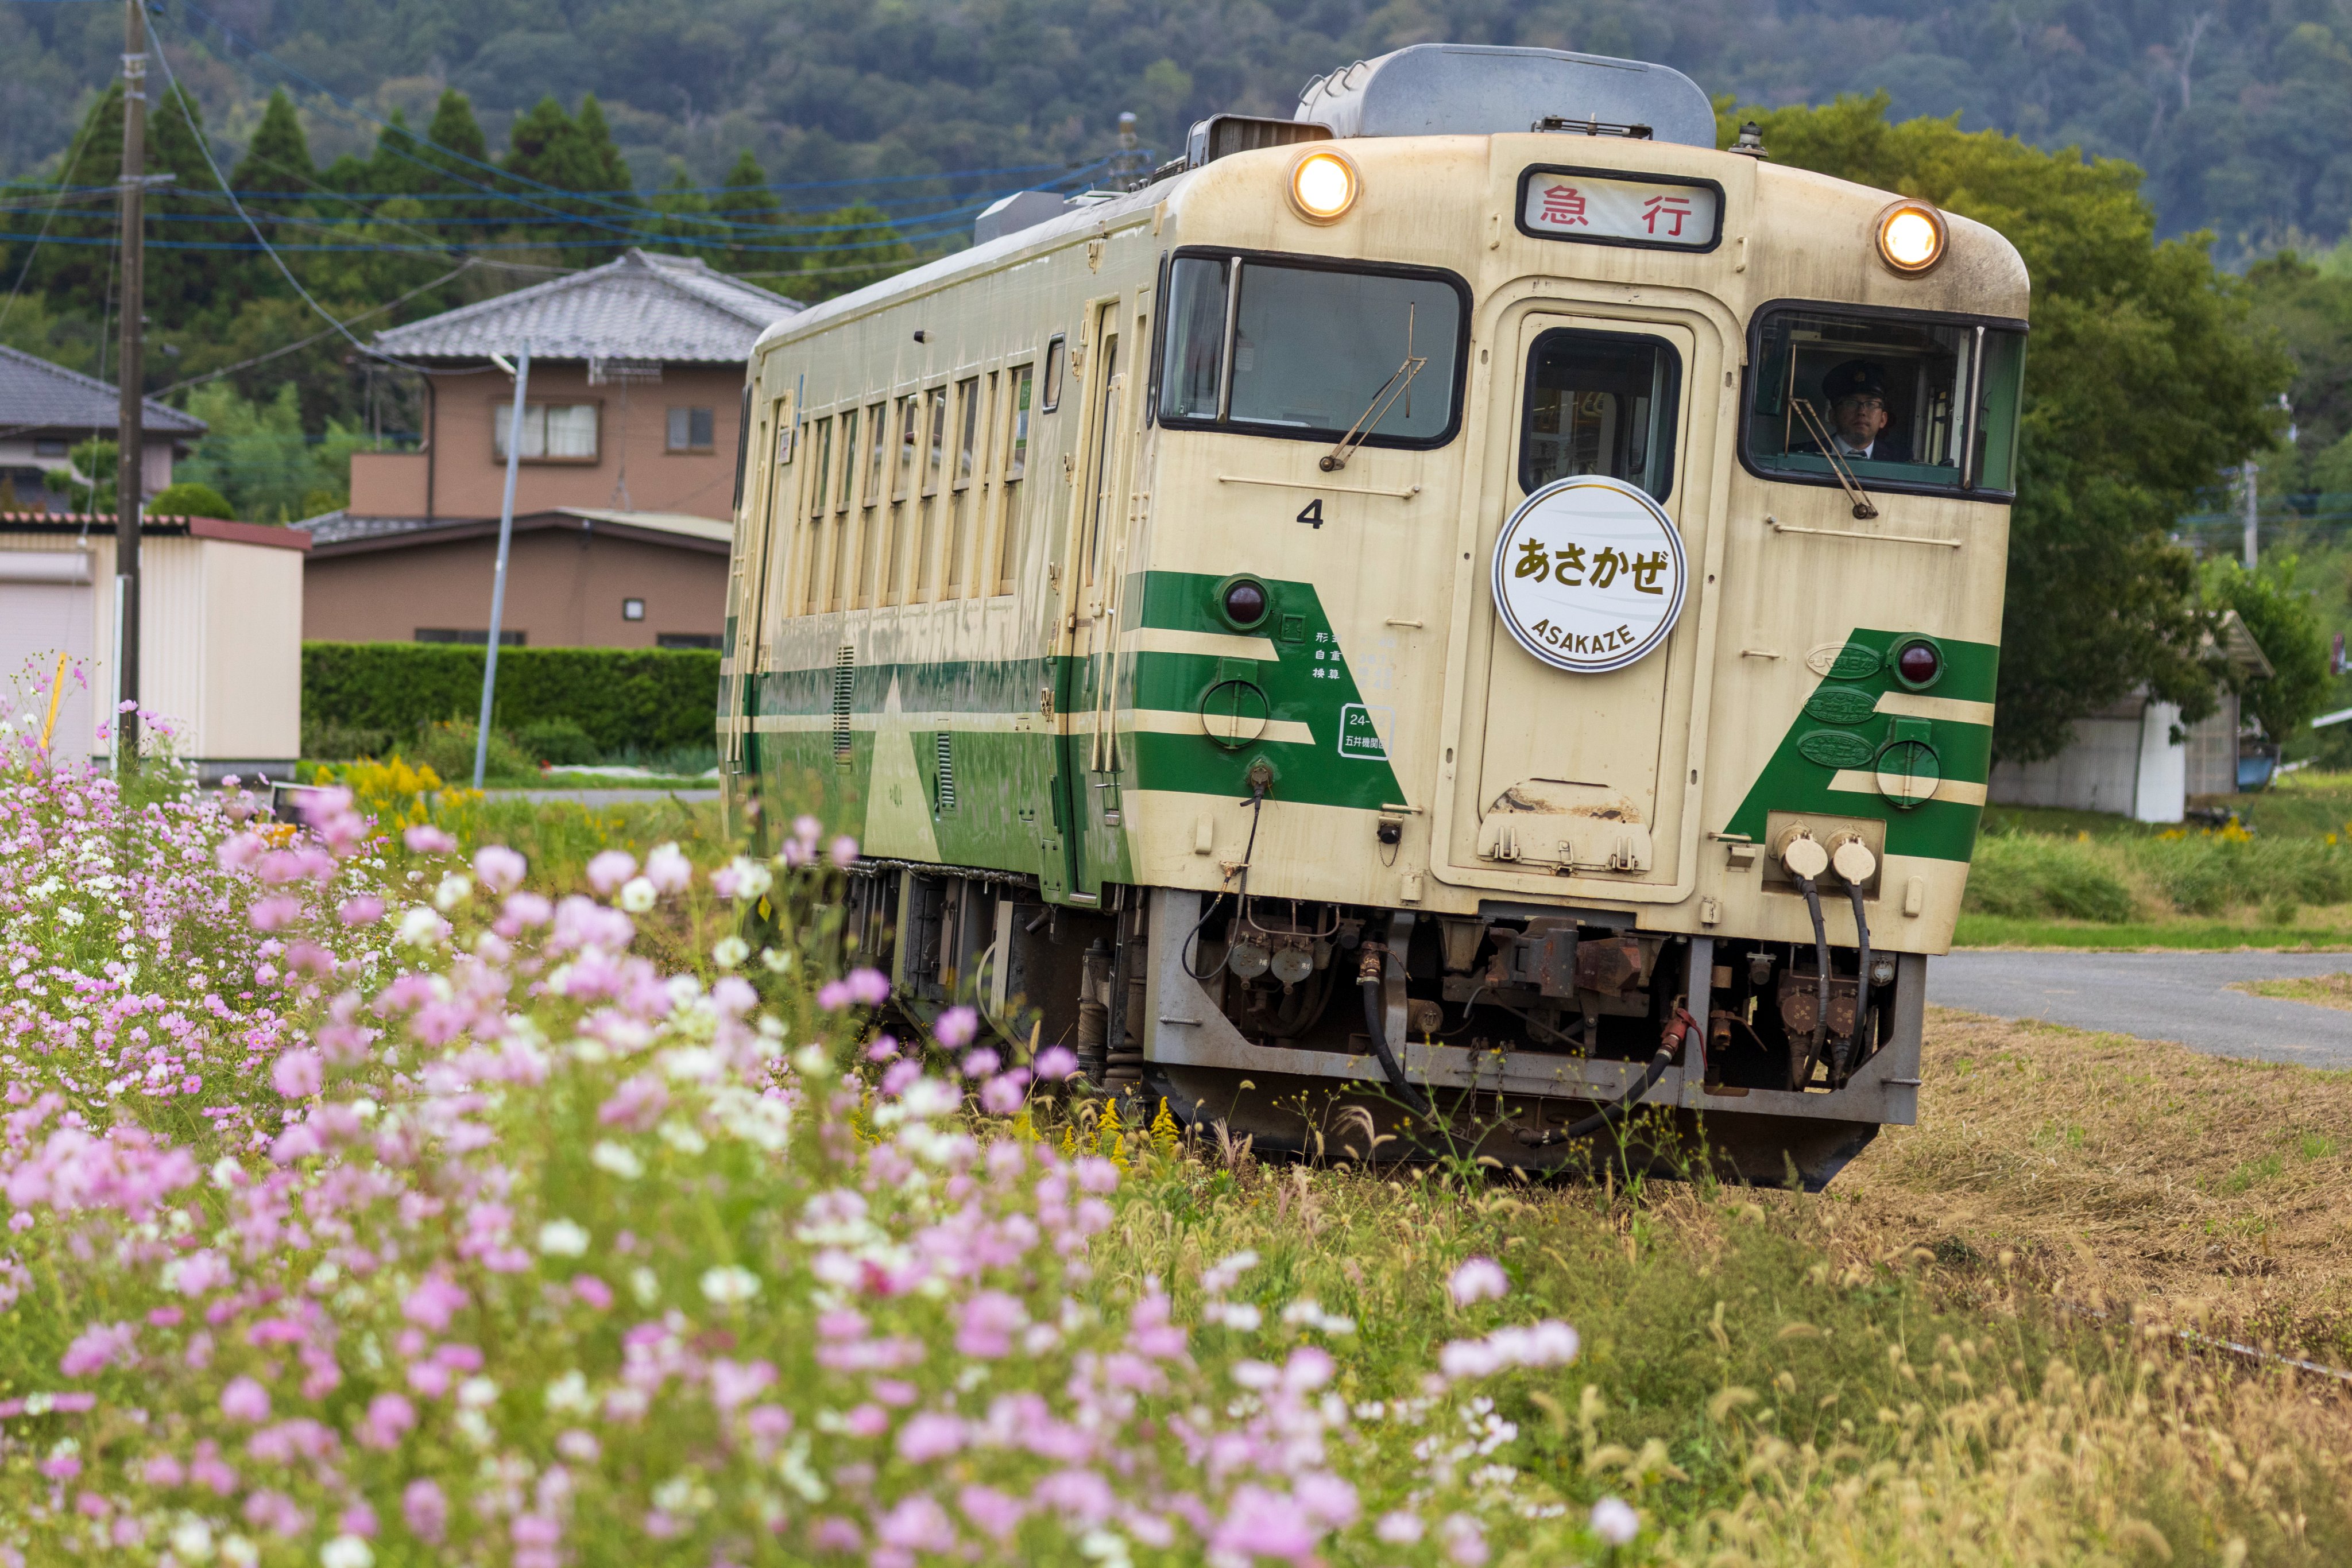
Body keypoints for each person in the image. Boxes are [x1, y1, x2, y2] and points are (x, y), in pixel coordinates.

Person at [1802, 359, 1910, 463]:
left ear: (1883, 419)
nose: (1861, 411)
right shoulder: (1803, 456)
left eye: (1871, 404)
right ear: (1833, 416)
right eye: (1851, 403)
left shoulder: (1900, 460)